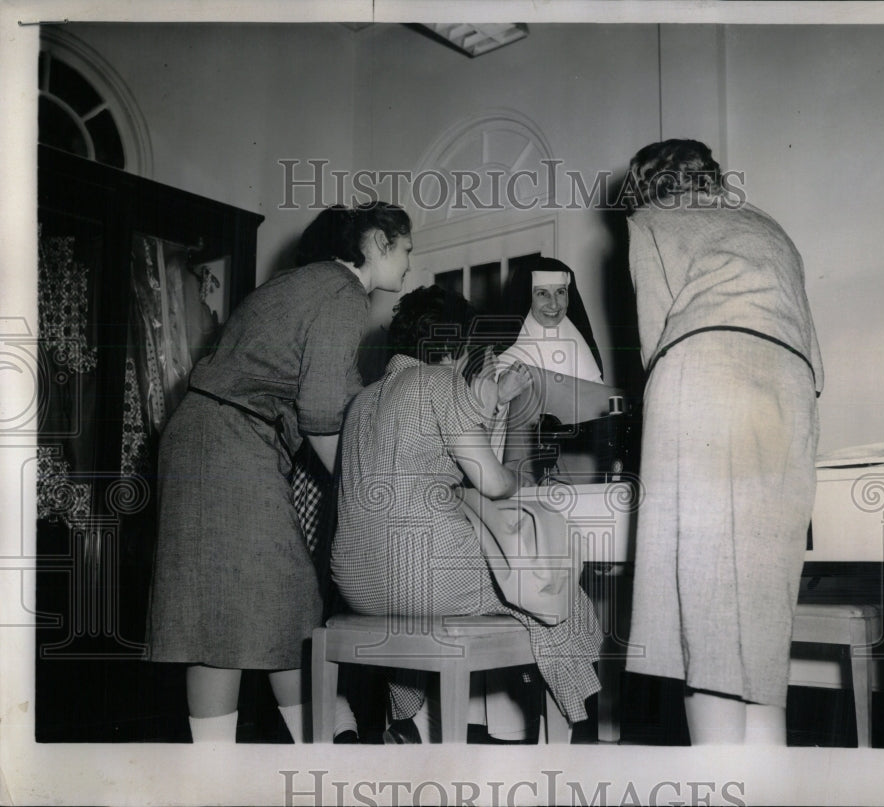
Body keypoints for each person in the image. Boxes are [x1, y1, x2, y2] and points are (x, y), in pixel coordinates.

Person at [147, 202, 413, 743]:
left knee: (259, 606)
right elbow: (319, 411)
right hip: (228, 443)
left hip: (212, 437)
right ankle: (298, 758)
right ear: (378, 242)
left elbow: (326, 400)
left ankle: (316, 749)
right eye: (406, 249)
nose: (410, 263)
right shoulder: (342, 292)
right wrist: (365, 497)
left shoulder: (304, 284)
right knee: (250, 606)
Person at [332, 285, 603, 743]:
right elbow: (494, 482)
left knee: (421, 605)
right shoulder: (440, 383)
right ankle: (575, 737)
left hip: (356, 585)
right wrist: (524, 485)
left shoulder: (362, 402)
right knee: (555, 595)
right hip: (423, 579)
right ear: (457, 348)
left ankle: (408, 724)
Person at [623, 139, 824, 745]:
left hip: (702, 373)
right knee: (761, 612)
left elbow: (653, 341)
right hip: (790, 388)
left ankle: (716, 778)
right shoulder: (769, 226)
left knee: (700, 603)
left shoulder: (650, 222)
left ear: (647, 184)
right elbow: (813, 348)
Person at [495, 257, 604, 383]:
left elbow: (596, 395)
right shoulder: (507, 352)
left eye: (560, 292)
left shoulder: (578, 339)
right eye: (542, 293)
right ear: (527, 298)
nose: (554, 304)